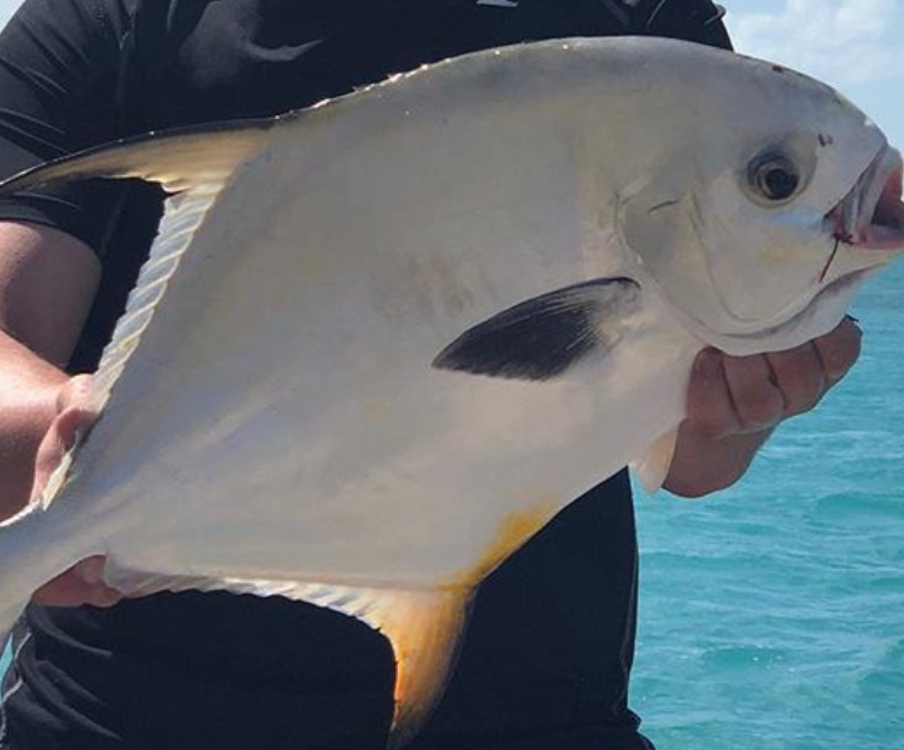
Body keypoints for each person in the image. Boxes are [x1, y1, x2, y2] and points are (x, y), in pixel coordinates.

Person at [0, 1, 862, 748]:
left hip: (537, 721)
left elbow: (694, 461)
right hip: (120, 720)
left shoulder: (642, 27)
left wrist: (740, 407)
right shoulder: (112, 20)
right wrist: (65, 446)